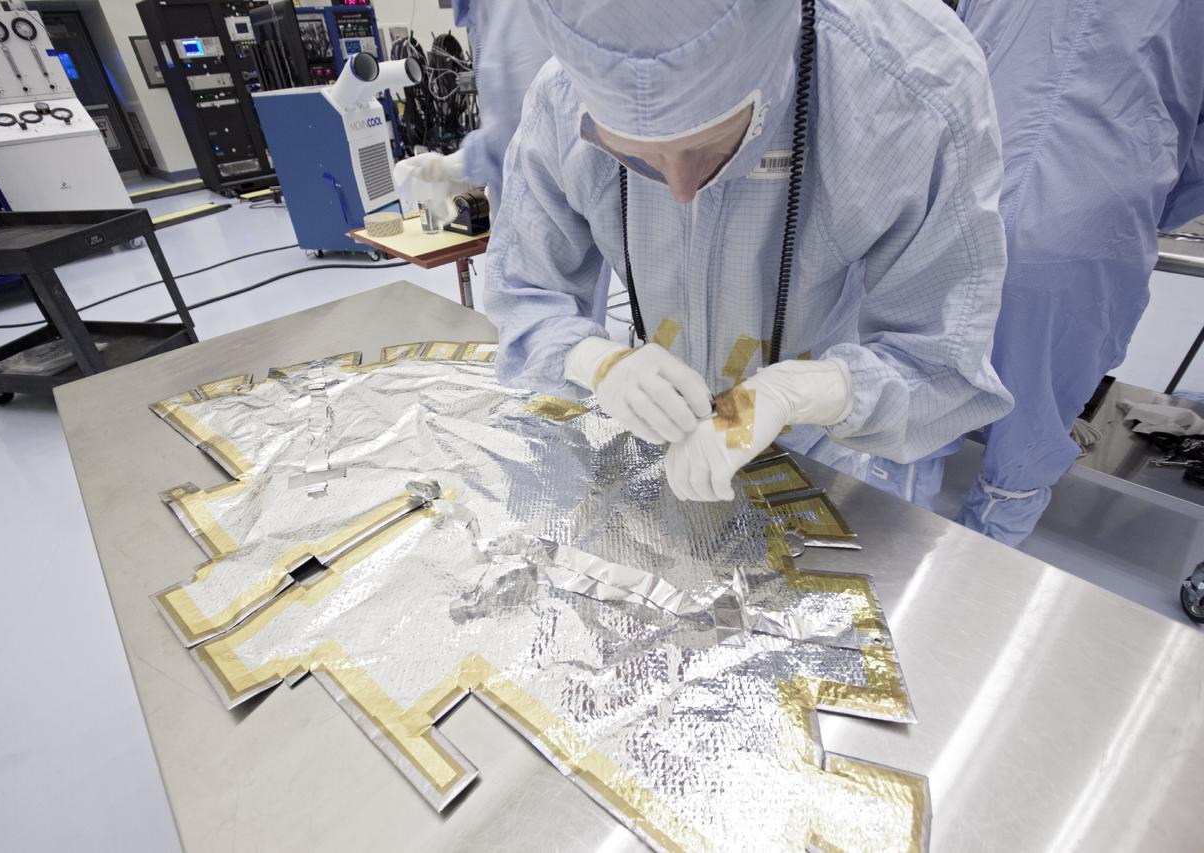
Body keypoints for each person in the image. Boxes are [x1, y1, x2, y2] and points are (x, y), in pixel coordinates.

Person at [483, 0, 1013, 502]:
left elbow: (940, 362)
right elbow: (523, 289)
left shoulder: (910, 94)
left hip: (821, 442)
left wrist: (801, 394)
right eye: (637, 159)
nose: (681, 191)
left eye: (711, 148)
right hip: (656, 433)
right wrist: (597, 362)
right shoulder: (560, 98)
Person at [872, 0, 1204, 544]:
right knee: (1031, 428)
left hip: (958, 188)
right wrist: (1141, 195)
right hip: (1090, 214)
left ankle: (892, 560)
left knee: (919, 396)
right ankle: (977, 566)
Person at [393, 0, 553, 218]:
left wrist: (456, 165)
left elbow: (531, 131)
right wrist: (452, 166)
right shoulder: (483, 11)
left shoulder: (511, 10)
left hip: (544, 214)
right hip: (526, 211)